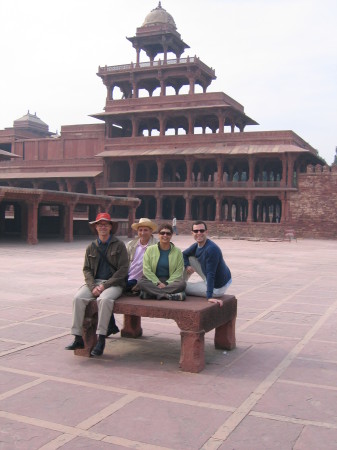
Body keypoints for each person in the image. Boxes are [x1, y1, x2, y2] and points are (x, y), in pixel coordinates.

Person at [65, 212, 128, 357]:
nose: (103, 227)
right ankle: (77, 337)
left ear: (111, 227)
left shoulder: (119, 246)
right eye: (100, 224)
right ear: (96, 228)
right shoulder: (91, 247)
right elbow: (87, 269)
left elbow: (123, 270)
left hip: (114, 284)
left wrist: (104, 287)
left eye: (106, 224)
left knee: (104, 300)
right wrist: (93, 286)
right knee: (78, 298)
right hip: (95, 282)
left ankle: (101, 338)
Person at [106, 217, 158, 336]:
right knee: (106, 294)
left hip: (141, 281)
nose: (142, 233)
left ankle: (111, 326)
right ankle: (111, 325)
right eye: (140, 230)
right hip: (128, 277)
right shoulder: (131, 244)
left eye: (146, 230)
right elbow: (123, 264)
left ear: (151, 231)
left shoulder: (156, 246)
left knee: (109, 293)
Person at [183, 220, 232, 306]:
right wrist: (187, 265)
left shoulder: (211, 249)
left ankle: (179, 285)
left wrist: (209, 296)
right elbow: (183, 254)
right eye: (196, 231)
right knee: (190, 258)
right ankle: (181, 281)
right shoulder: (196, 245)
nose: (199, 233)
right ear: (192, 233)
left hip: (217, 287)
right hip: (215, 277)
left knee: (182, 286)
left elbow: (211, 274)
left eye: (201, 231)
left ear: (206, 232)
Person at [136, 223, 186, 300]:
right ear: (158, 235)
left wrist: (166, 283)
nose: (165, 235)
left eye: (168, 233)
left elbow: (178, 272)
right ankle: (169, 296)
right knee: (141, 282)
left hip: (170, 281)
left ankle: (151, 294)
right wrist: (158, 282)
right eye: (162, 233)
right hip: (153, 280)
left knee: (182, 284)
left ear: (171, 235)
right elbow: (146, 270)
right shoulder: (150, 250)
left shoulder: (177, 252)